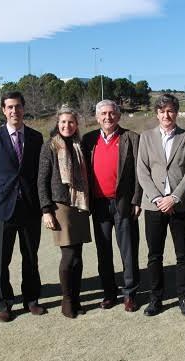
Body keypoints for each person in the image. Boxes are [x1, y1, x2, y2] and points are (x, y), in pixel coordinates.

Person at [0, 91, 45, 322]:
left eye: (17, 106)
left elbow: (40, 171)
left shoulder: (36, 138)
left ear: (23, 108)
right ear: (3, 110)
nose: (14, 111)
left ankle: (31, 300)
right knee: (0, 260)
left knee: (30, 257)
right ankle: (4, 303)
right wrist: (2, 190)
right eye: (9, 107)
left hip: (29, 207)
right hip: (2, 208)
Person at [136, 94, 185, 317]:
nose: (166, 115)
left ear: (176, 112)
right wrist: (157, 198)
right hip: (154, 206)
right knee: (155, 255)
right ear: (157, 114)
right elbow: (142, 171)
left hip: (180, 205)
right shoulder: (146, 137)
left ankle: (184, 297)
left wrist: (175, 197)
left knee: (183, 255)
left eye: (170, 111)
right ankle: (156, 298)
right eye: (162, 111)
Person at [81, 100, 142, 312]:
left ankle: (130, 294)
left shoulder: (131, 138)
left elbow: (139, 173)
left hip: (123, 203)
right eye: (103, 114)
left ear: (118, 116)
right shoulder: (88, 140)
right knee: (104, 251)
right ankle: (109, 293)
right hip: (99, 205)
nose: (108, 117)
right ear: (97, 117)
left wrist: (137, 200)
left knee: (128, 250)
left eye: (112, 113)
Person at [38, 106, 91, 318]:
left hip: (80, 204)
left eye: (70, 122)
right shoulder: (50, 146)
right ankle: (67, 301)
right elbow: (41, 180)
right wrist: (46, 210)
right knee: (68, 256)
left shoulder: (80, 145)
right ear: (57, 124)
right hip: (61, 206)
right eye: (62, 122)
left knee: (78, 256)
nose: (66, 126)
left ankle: (76, 299)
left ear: (76, 124)